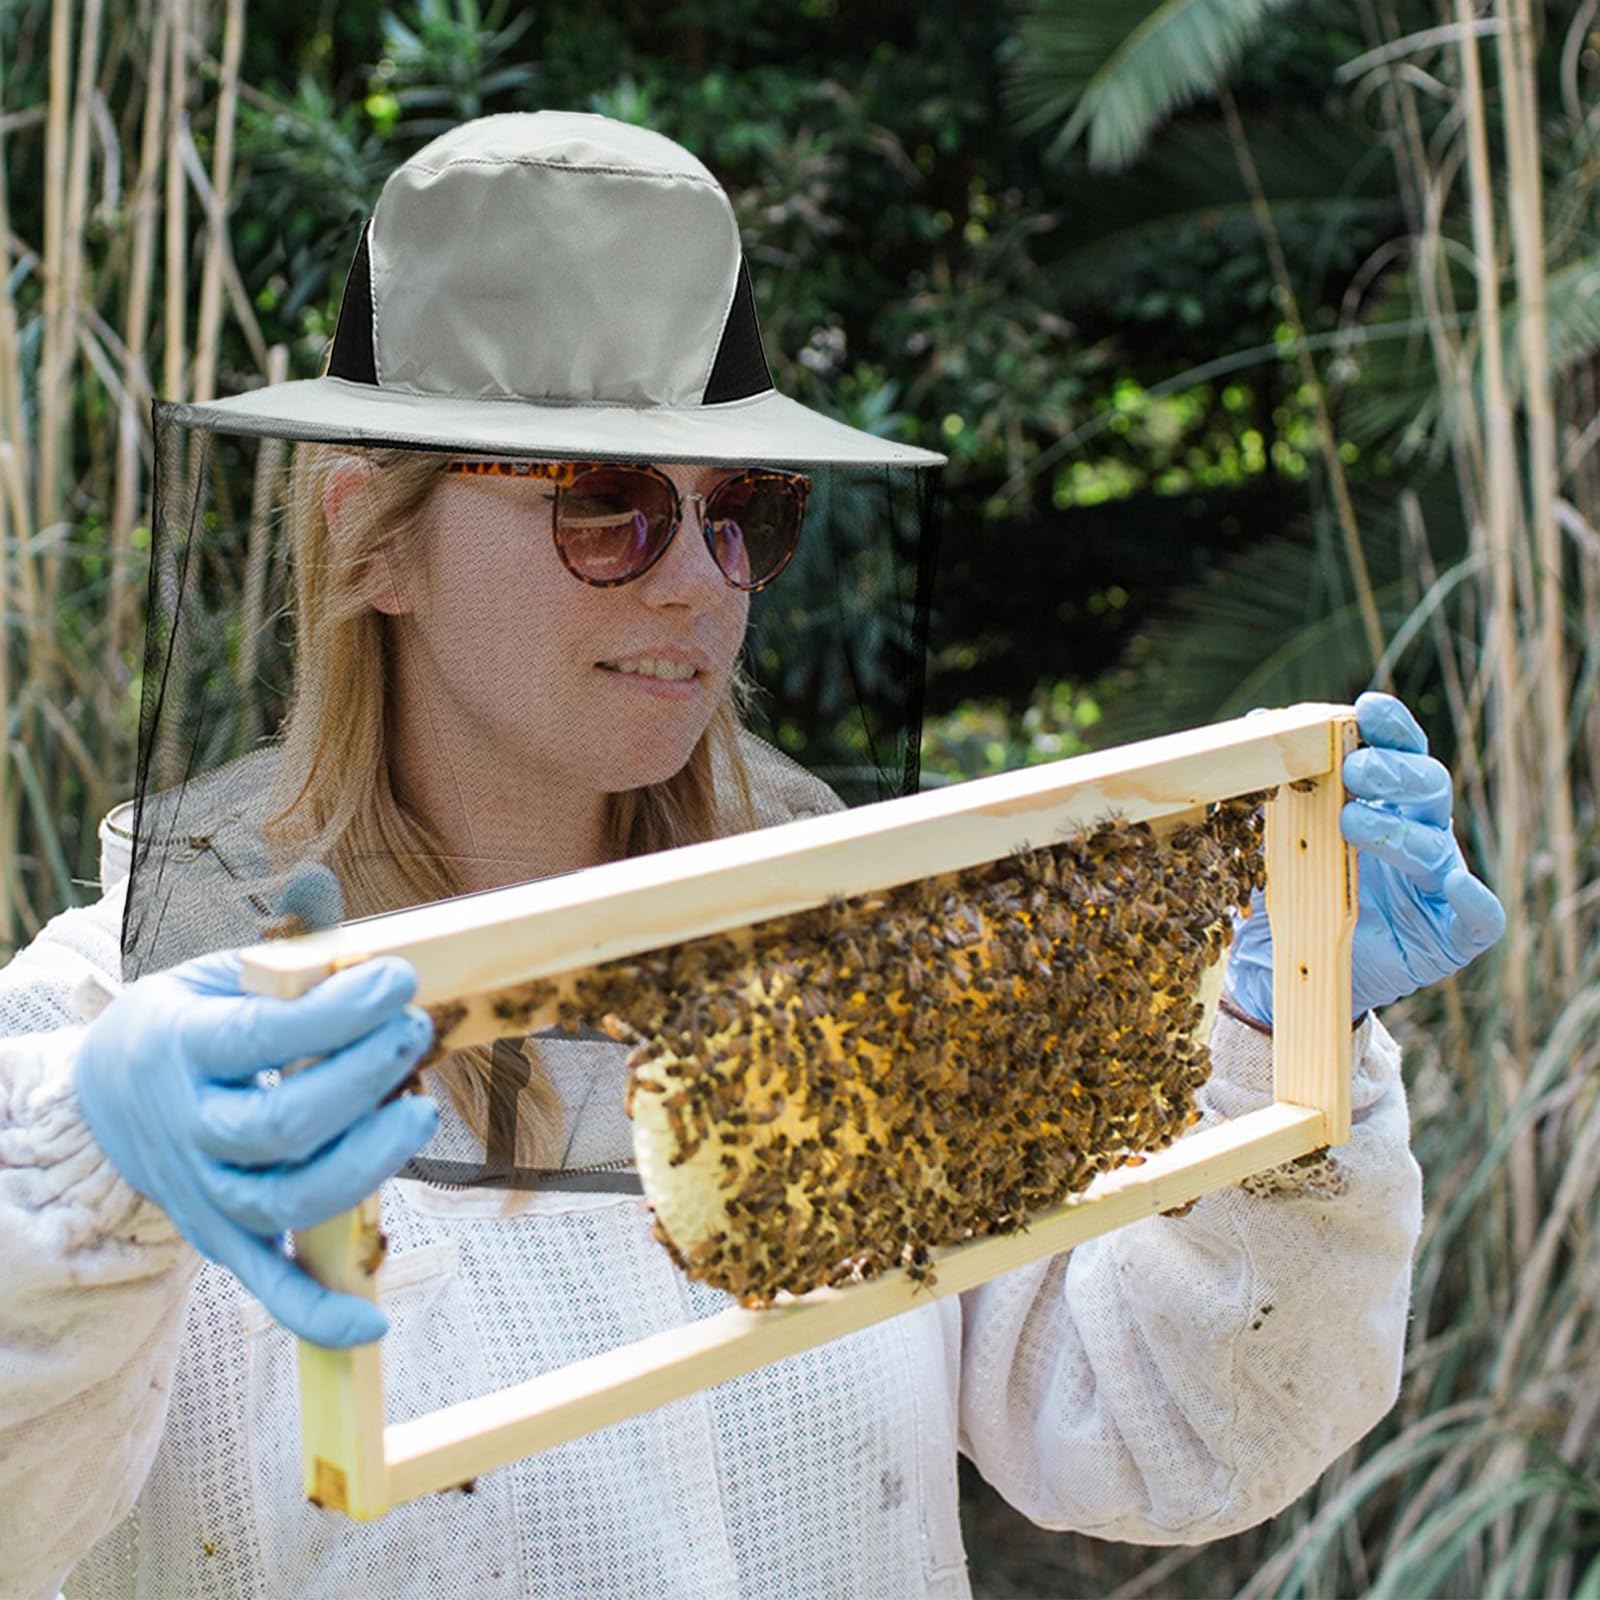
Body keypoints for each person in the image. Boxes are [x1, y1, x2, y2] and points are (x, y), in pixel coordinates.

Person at [0, 112, 1503, 1600]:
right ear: (373, 537)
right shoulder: (119, 1044)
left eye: (746, 515)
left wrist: (1276, 1031)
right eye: (610, 511)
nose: (695, 587)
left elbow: (1158, 1431)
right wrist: (91, 1192)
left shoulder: (854, 972)